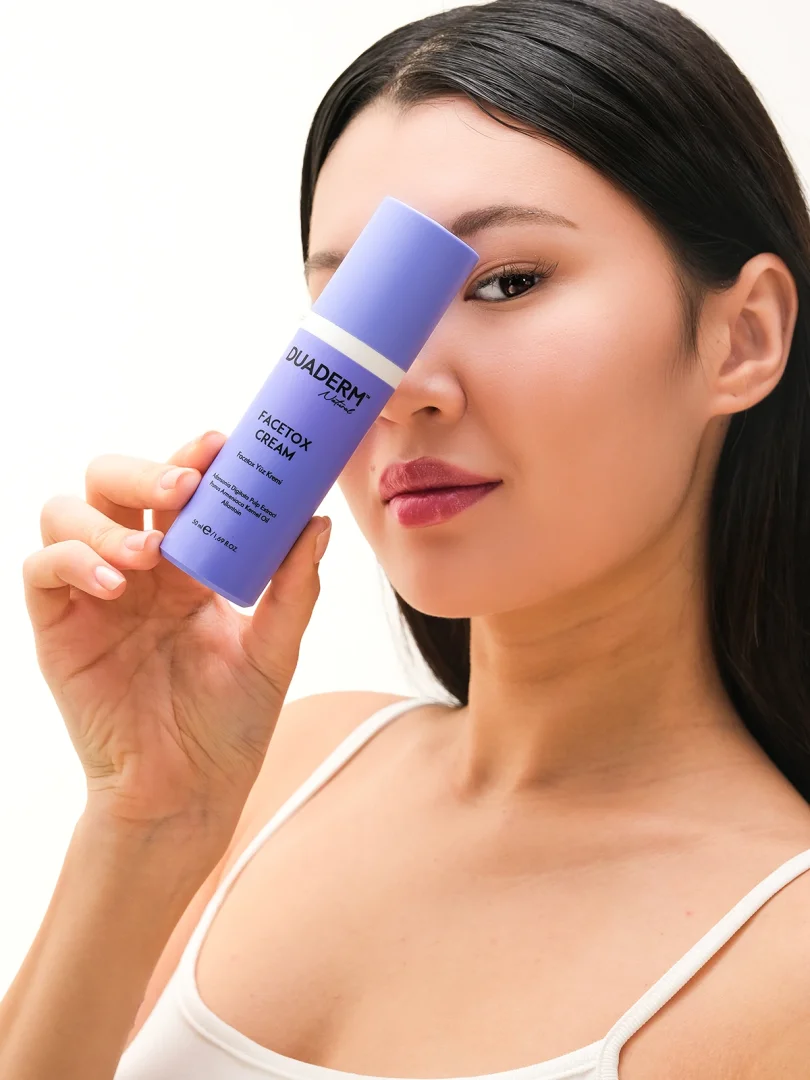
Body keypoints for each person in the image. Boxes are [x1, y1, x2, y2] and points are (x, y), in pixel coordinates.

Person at [3, 0, 810, 1076]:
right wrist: (144, 824)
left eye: (507, 283)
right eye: (358, 316)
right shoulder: (275, 773)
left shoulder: (787, 962)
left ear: (742, 336)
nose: (398, 389)